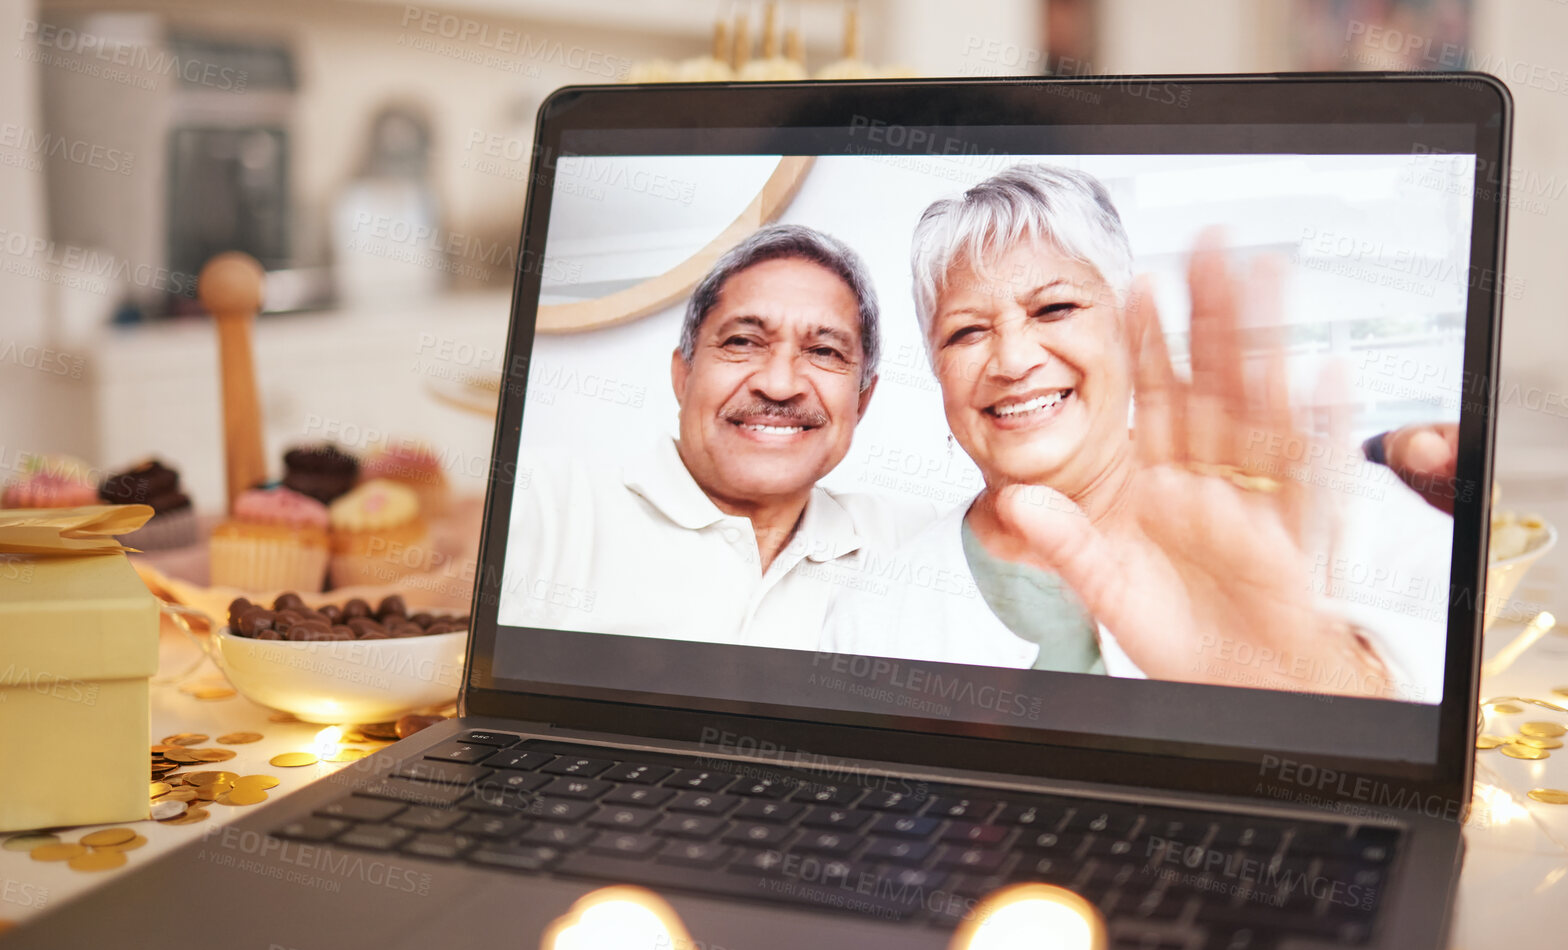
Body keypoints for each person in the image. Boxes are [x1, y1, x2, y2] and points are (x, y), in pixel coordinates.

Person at [824, 164, 1451, 698]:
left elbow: (1449, 759)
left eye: (1055, 308)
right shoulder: (875, 611)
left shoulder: (1331, 507)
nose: (1012, 361)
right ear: (936, 368)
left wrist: (1312, 676)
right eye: (966, 332)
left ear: (1129, 327)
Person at [500, 224, 931, 649]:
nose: (780, 385)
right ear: (683, 376)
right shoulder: (545, 502)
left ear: (862, 400)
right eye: (743, 341)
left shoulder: (911, 544)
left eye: (824, 352)